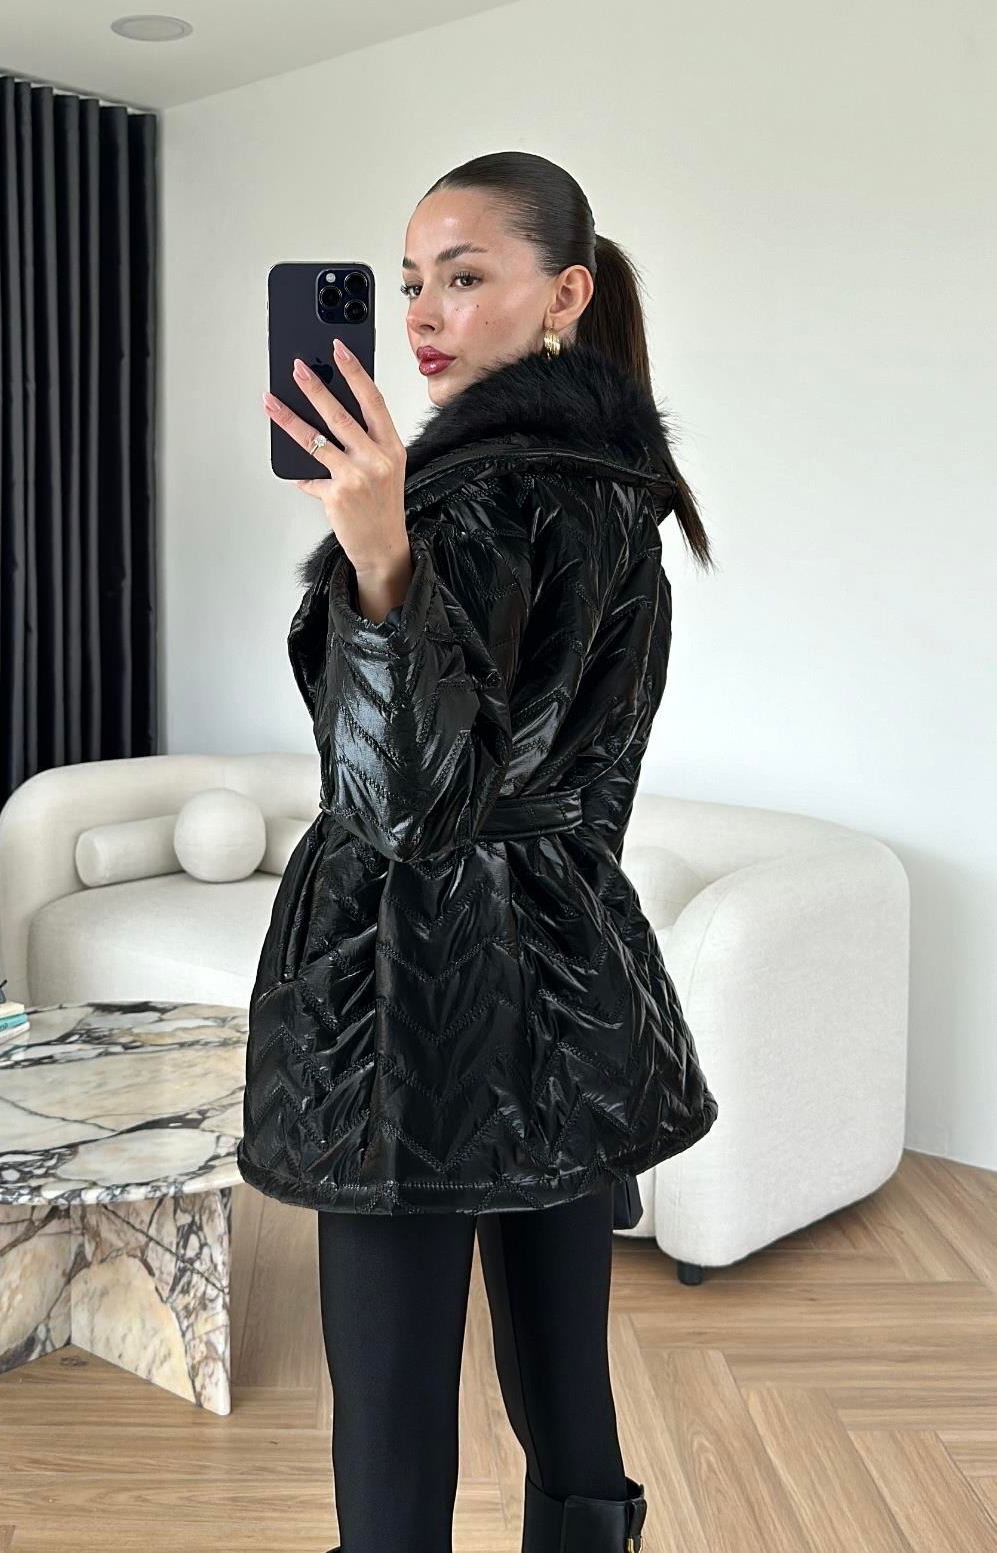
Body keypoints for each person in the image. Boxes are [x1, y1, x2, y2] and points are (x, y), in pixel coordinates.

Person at [239, 150, 720, 1553]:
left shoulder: (451, 499)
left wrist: (378, 565)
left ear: (564, 295)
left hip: (412, 1005)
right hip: (566, 979)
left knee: (389, 1413)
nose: (421, 315)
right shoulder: (620, 490)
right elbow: (597, 777)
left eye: (463, 276)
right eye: (408, 283)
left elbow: (401, 810)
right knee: (567, 1387)